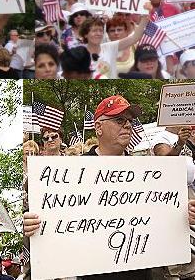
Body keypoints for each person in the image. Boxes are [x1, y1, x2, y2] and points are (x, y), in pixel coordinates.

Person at [24, 95, 195, 280]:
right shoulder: (71, 174)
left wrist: (184, 213)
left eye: (129, 120)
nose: (128, 125)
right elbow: (53, 219)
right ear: (98, 128)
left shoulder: (147, 172)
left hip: (140, 272)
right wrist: (32, 223)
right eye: (119, 120)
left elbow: (161, 213)